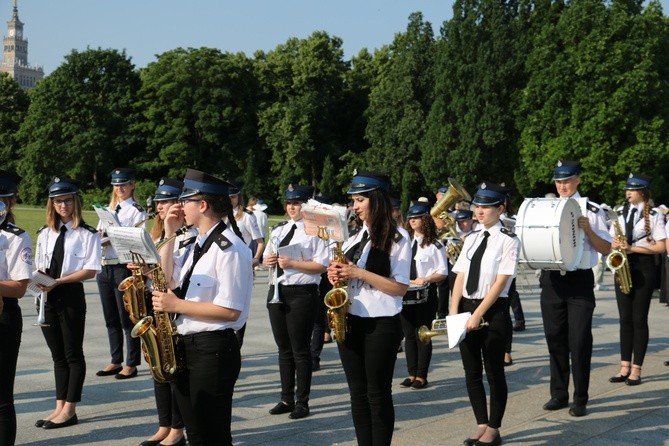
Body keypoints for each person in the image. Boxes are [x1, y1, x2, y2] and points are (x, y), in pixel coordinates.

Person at [152, 168, 253, 446]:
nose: (179, 206)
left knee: (212, 435)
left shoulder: (229, 248)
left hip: (213, 349)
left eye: (185, 201)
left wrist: (177, 304)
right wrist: (169, 234)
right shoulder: (197, 242)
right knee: (195, 433)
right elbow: (166, 279)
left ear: (203, 205)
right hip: (187, 345)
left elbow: (230, 311)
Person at [327, 170, 411, 446]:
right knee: (357, 395)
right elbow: (348, 274)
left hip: (381, 323)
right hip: (351, 320)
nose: (355, 206)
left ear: (376, 200)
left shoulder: (398, 238)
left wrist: (358, 273)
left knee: (377, 394)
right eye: (353, 200)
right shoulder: (354, 238)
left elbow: (399, 287)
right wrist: (336, 274)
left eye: (360, 200)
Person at [450, 182, 520, 446]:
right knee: (471, 372)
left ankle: (494, 428)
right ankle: (480, 423)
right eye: (477, 205)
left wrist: (478, 313)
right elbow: (459, 276)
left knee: (493, 372)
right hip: (466, 307)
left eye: (486, 206)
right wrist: (453, 311)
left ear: (500, 208)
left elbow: (502, 282)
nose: (479, 211)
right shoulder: (472, 237)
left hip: (492, 310)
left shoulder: (509, 240)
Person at [540, 160, 612, 417]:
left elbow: (607, 248)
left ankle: (580, 397)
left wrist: (589, 231)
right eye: (558, 181)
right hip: (551, 280)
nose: (562, 185)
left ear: (578, 180)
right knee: (555, 339)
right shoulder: (546, 208)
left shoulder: (591, 209)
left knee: (579, 341)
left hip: (579, 281)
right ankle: (558, 394)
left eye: (567, 180)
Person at [33, 178, 101, 430]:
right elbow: (41, 263)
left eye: (68, 200)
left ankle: (70, 410)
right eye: (59, 201)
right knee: (57, 356)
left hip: (70, 294)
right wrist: (40, 280)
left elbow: (91, 270)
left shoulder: (87, 234)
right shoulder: (44, 233)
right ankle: (59, 406)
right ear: (52, 204)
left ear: (75, 202)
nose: (64, 205)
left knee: (73, 354)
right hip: (46, 296)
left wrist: (58, 282)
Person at [263, 185, 328, 419]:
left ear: (307, 206)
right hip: (277, 290)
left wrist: (293, 264)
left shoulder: (316, 231)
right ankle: (285, 397)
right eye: (290, 203)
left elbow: (322, 265)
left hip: (302, 292)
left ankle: (303, 401)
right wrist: (268, 260)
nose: (292, 207)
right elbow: (265, 260)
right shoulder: (279, 229)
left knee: (300, 350)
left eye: (298, 203)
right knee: (283, 349)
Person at [140, 178, 188, 446]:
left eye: (165, 201)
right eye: (158, 201)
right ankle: (164, 424)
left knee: (173, 367)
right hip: (155, 300)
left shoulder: (183, 234)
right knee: (158, 366)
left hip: (174, 302)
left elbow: (171, 276)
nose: (160, 206)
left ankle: (177, 429)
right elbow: (155, 271)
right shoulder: (156, 233)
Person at [607, 173, 666, 386]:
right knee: (625, 319)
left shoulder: (656, 214)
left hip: (644, 267)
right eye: (626, 189)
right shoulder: (619, 212)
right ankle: (624, 366)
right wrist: (615, 243)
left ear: (642, 191)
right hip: (622, 265)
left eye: (632, 189)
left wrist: (632, 248)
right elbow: (611, 239)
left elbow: (660, 247)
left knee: (639, 319)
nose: (627, 193)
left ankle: (636, 369)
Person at [96, 168, 147, 379]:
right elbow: (101, 232)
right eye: (116, 185)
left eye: (124, 184)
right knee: (111, 317)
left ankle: (132, 363)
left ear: (132, 185)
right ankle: (115, 359)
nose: (120, 188)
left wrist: (112, 236)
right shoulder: (109, 208)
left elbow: (136, 239)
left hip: (123, 265)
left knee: (127, 317)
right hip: (105, 264)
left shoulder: (137, 210)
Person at [399, 200, 448, 390]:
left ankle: (422, 375)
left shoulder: (435, 245)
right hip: (406, 293)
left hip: (426, 295)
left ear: (426, 219)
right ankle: (411, 373)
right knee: (408, 335)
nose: (412, 220)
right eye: (411, 216)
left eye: (417, 217)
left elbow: (442, 272)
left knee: (423, 335)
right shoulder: (405, 243)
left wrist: (425, 278)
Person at [0, 171, 32, 445]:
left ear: (9, 204)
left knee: (1, 398)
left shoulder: (16, 237)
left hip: (4, 317)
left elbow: (20, 288)